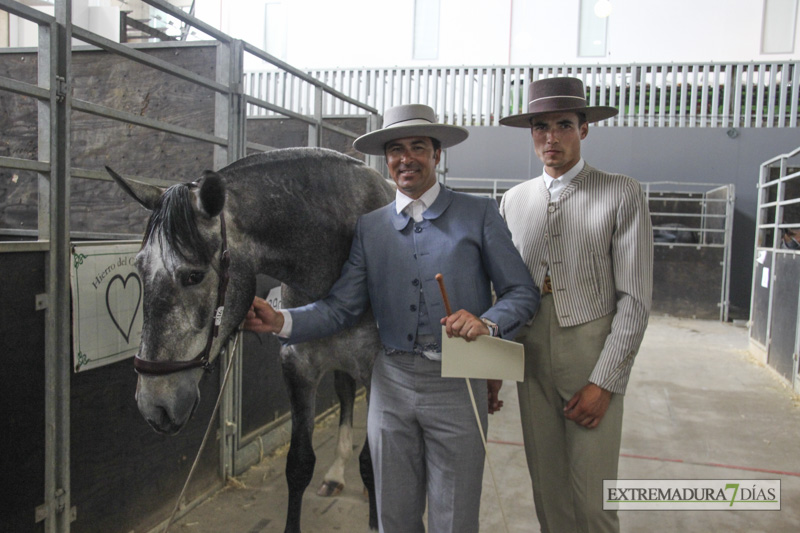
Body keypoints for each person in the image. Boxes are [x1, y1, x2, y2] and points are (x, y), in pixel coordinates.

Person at [243, 104, 539, 533]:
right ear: (386, 159)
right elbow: (340, 307)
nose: (406, 158)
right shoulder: (371, 228)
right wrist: (281, 321)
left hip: (457, 386)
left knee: (453, 519)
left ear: (437, 154)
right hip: (391, 385)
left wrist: (487, 323)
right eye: (396, 149)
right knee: (393, 519)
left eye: (418, 147)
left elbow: (522, 292)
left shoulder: (479, 214)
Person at [498, 77, 653, 533]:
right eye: (540, 126)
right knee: (549, 496)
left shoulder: (621, 192)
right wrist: (492, 365)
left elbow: (636, 299)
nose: (551, 137)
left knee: (593, 504)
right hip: (530, 359)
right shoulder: (512, 200)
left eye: (563, 124)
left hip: (591, 353)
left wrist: (605, 382)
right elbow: (505, 293)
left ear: (583, 129)